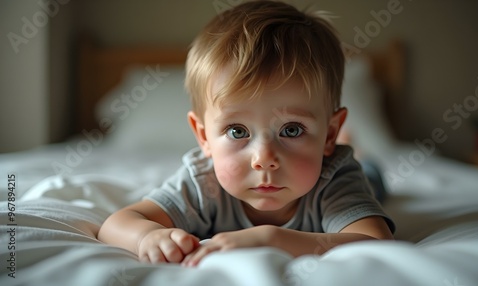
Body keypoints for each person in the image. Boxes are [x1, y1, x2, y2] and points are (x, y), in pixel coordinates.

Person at [97, 0, 395, 267]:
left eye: (292, 130)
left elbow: (377, 243)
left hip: (359, 175)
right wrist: (148, 236)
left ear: (328, 135)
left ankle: (355, 151)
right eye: (237, 131)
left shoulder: (335, 177)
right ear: (203, 138)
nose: (264, 159)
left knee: (370, 176)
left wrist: (271, 238)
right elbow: (117, 223)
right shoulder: (204, 184)